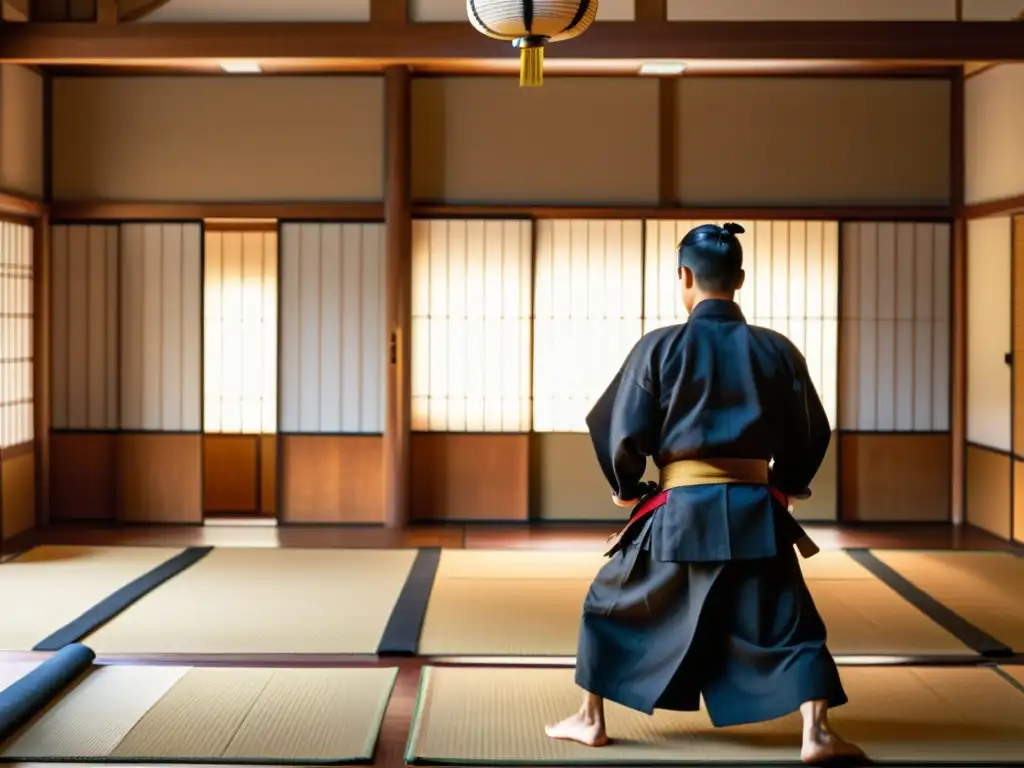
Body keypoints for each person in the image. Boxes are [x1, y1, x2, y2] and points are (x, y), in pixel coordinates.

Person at [544, 222, 864, 765]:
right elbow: (813, 429)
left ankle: (591, 718)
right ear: (739, 279)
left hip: (678, 511)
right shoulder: (777, 350)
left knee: (610, 603)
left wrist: (628, 486)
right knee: (788, 617)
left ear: (684, 277)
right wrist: (784, 483)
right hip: (755, 510)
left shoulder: (659, 347)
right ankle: (817, 732)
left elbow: (620, 427)